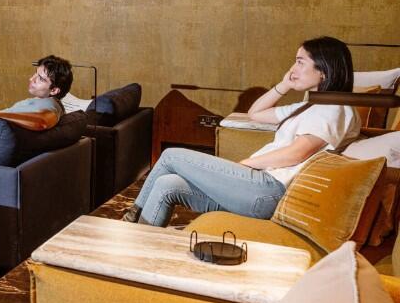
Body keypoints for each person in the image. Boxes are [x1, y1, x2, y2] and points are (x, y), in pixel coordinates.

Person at [124, 36, 361, 228]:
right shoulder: (309, 106)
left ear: (324, 70)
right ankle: (138, 244)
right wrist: (284, 85)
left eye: (300, 62)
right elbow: (255, 113)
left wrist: (245, 165)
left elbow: (296, 154)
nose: (293, 69)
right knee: (167, 184)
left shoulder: (333, 108)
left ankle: (130, 221)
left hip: (268, 189)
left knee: (171, 156)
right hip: (259, 188)